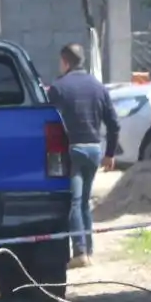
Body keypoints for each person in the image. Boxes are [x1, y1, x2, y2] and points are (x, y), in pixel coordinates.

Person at [48, 43, 120, 269]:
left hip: (72, 150)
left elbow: (50, 122)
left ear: (66, 62)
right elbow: (114, 123)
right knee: (85, 203)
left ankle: (79, 251)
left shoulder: (59, 88)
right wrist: (110, 153)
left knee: (74, 202)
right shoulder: (98, 87)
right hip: (94, 150)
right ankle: (88, 249)